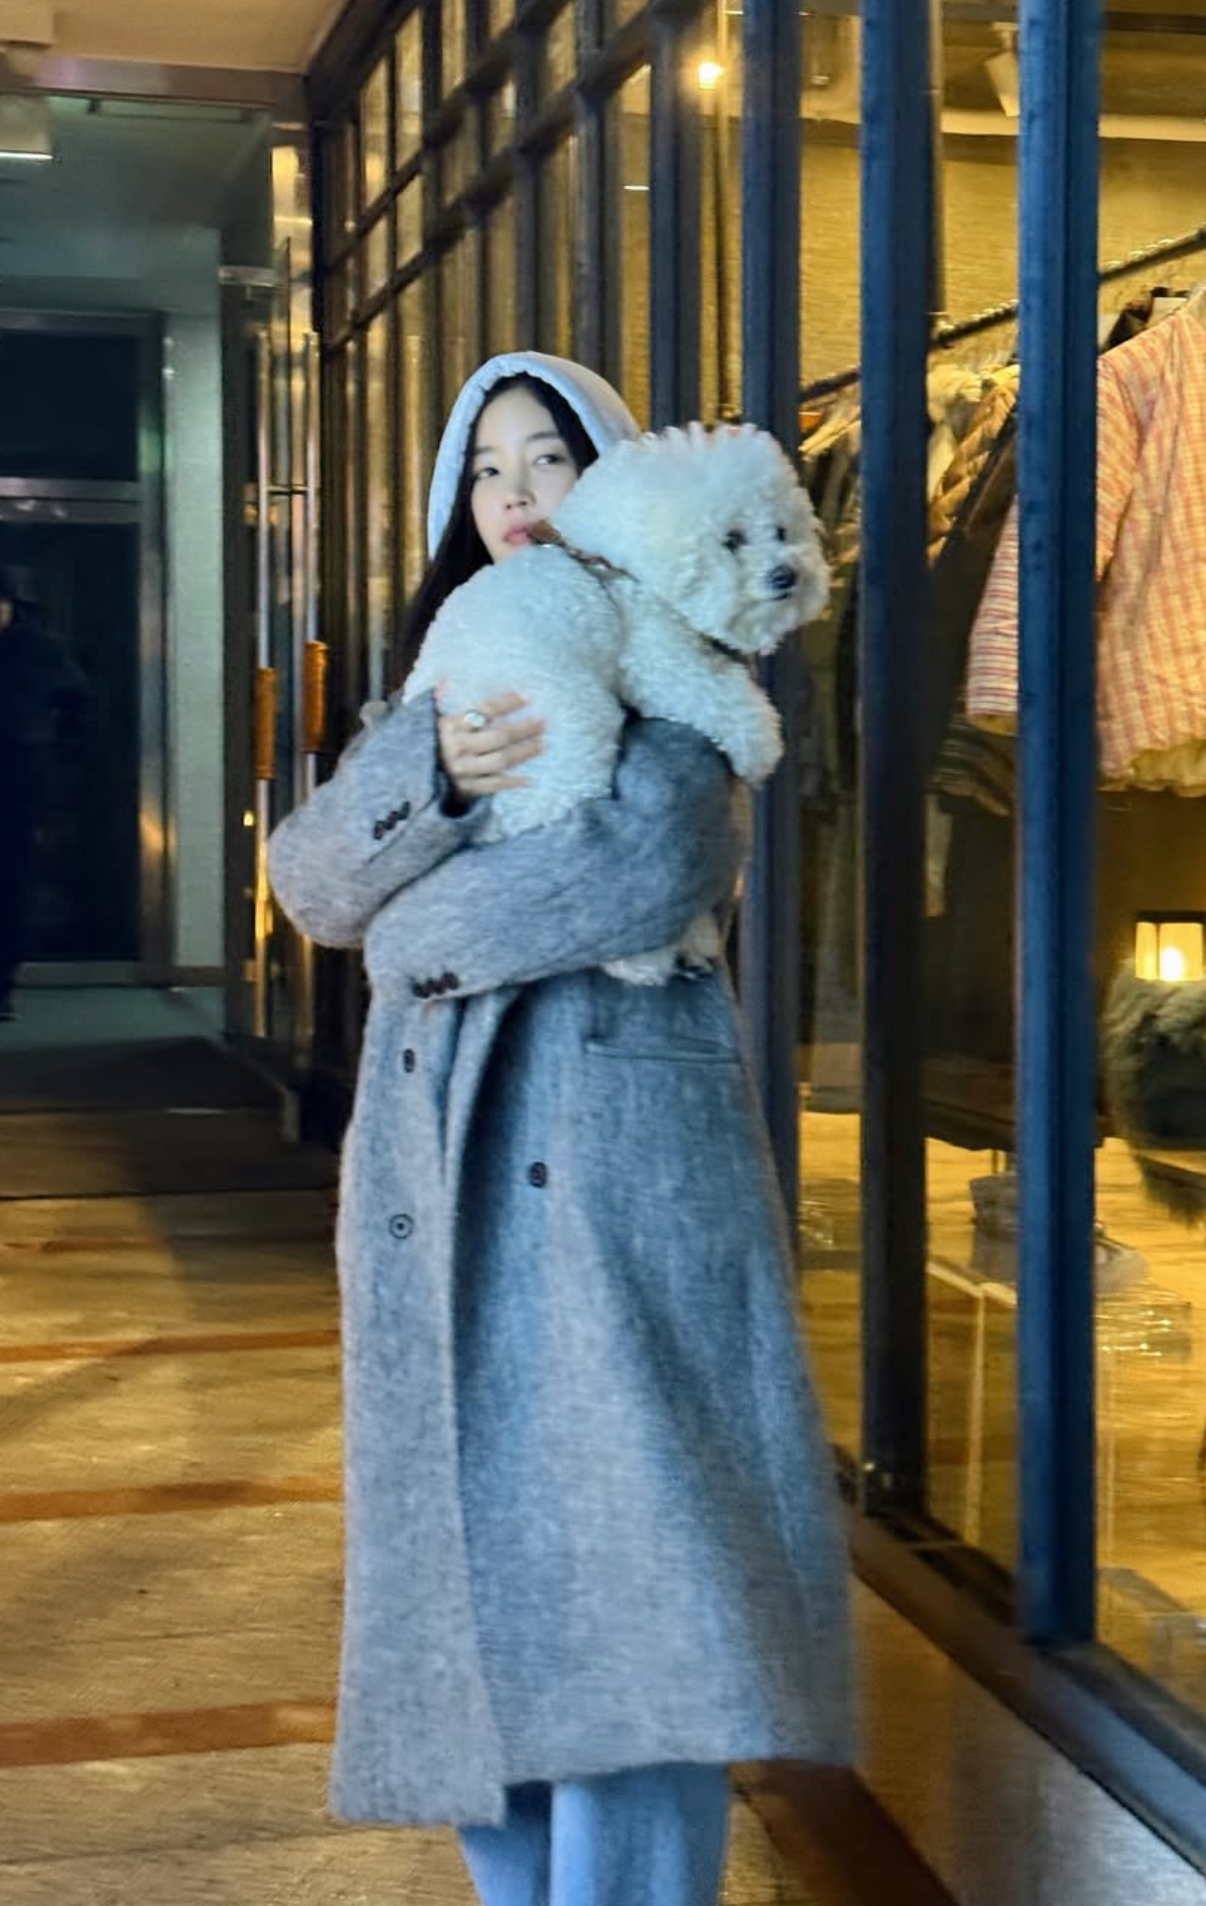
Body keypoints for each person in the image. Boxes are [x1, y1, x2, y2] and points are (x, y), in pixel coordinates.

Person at [266, 351, 855, 1906]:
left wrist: (410, 928)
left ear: (620, 482)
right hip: (435, 1165)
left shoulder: (679, 695)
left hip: (611, 1179)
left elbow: (626, 873)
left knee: (637, 1583)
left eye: (550, 458)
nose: (517, 495)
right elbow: (311, 883)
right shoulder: (438, 696)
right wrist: (430, 778)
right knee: (476, 1576)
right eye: (487, 469)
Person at [0, 566, 87, 1021]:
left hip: (19, 780)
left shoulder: (39, 651)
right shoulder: (41, 652)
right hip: (25, 771)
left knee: (10, 885)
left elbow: (78, 712)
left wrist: (60, 766)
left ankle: (2, 982)